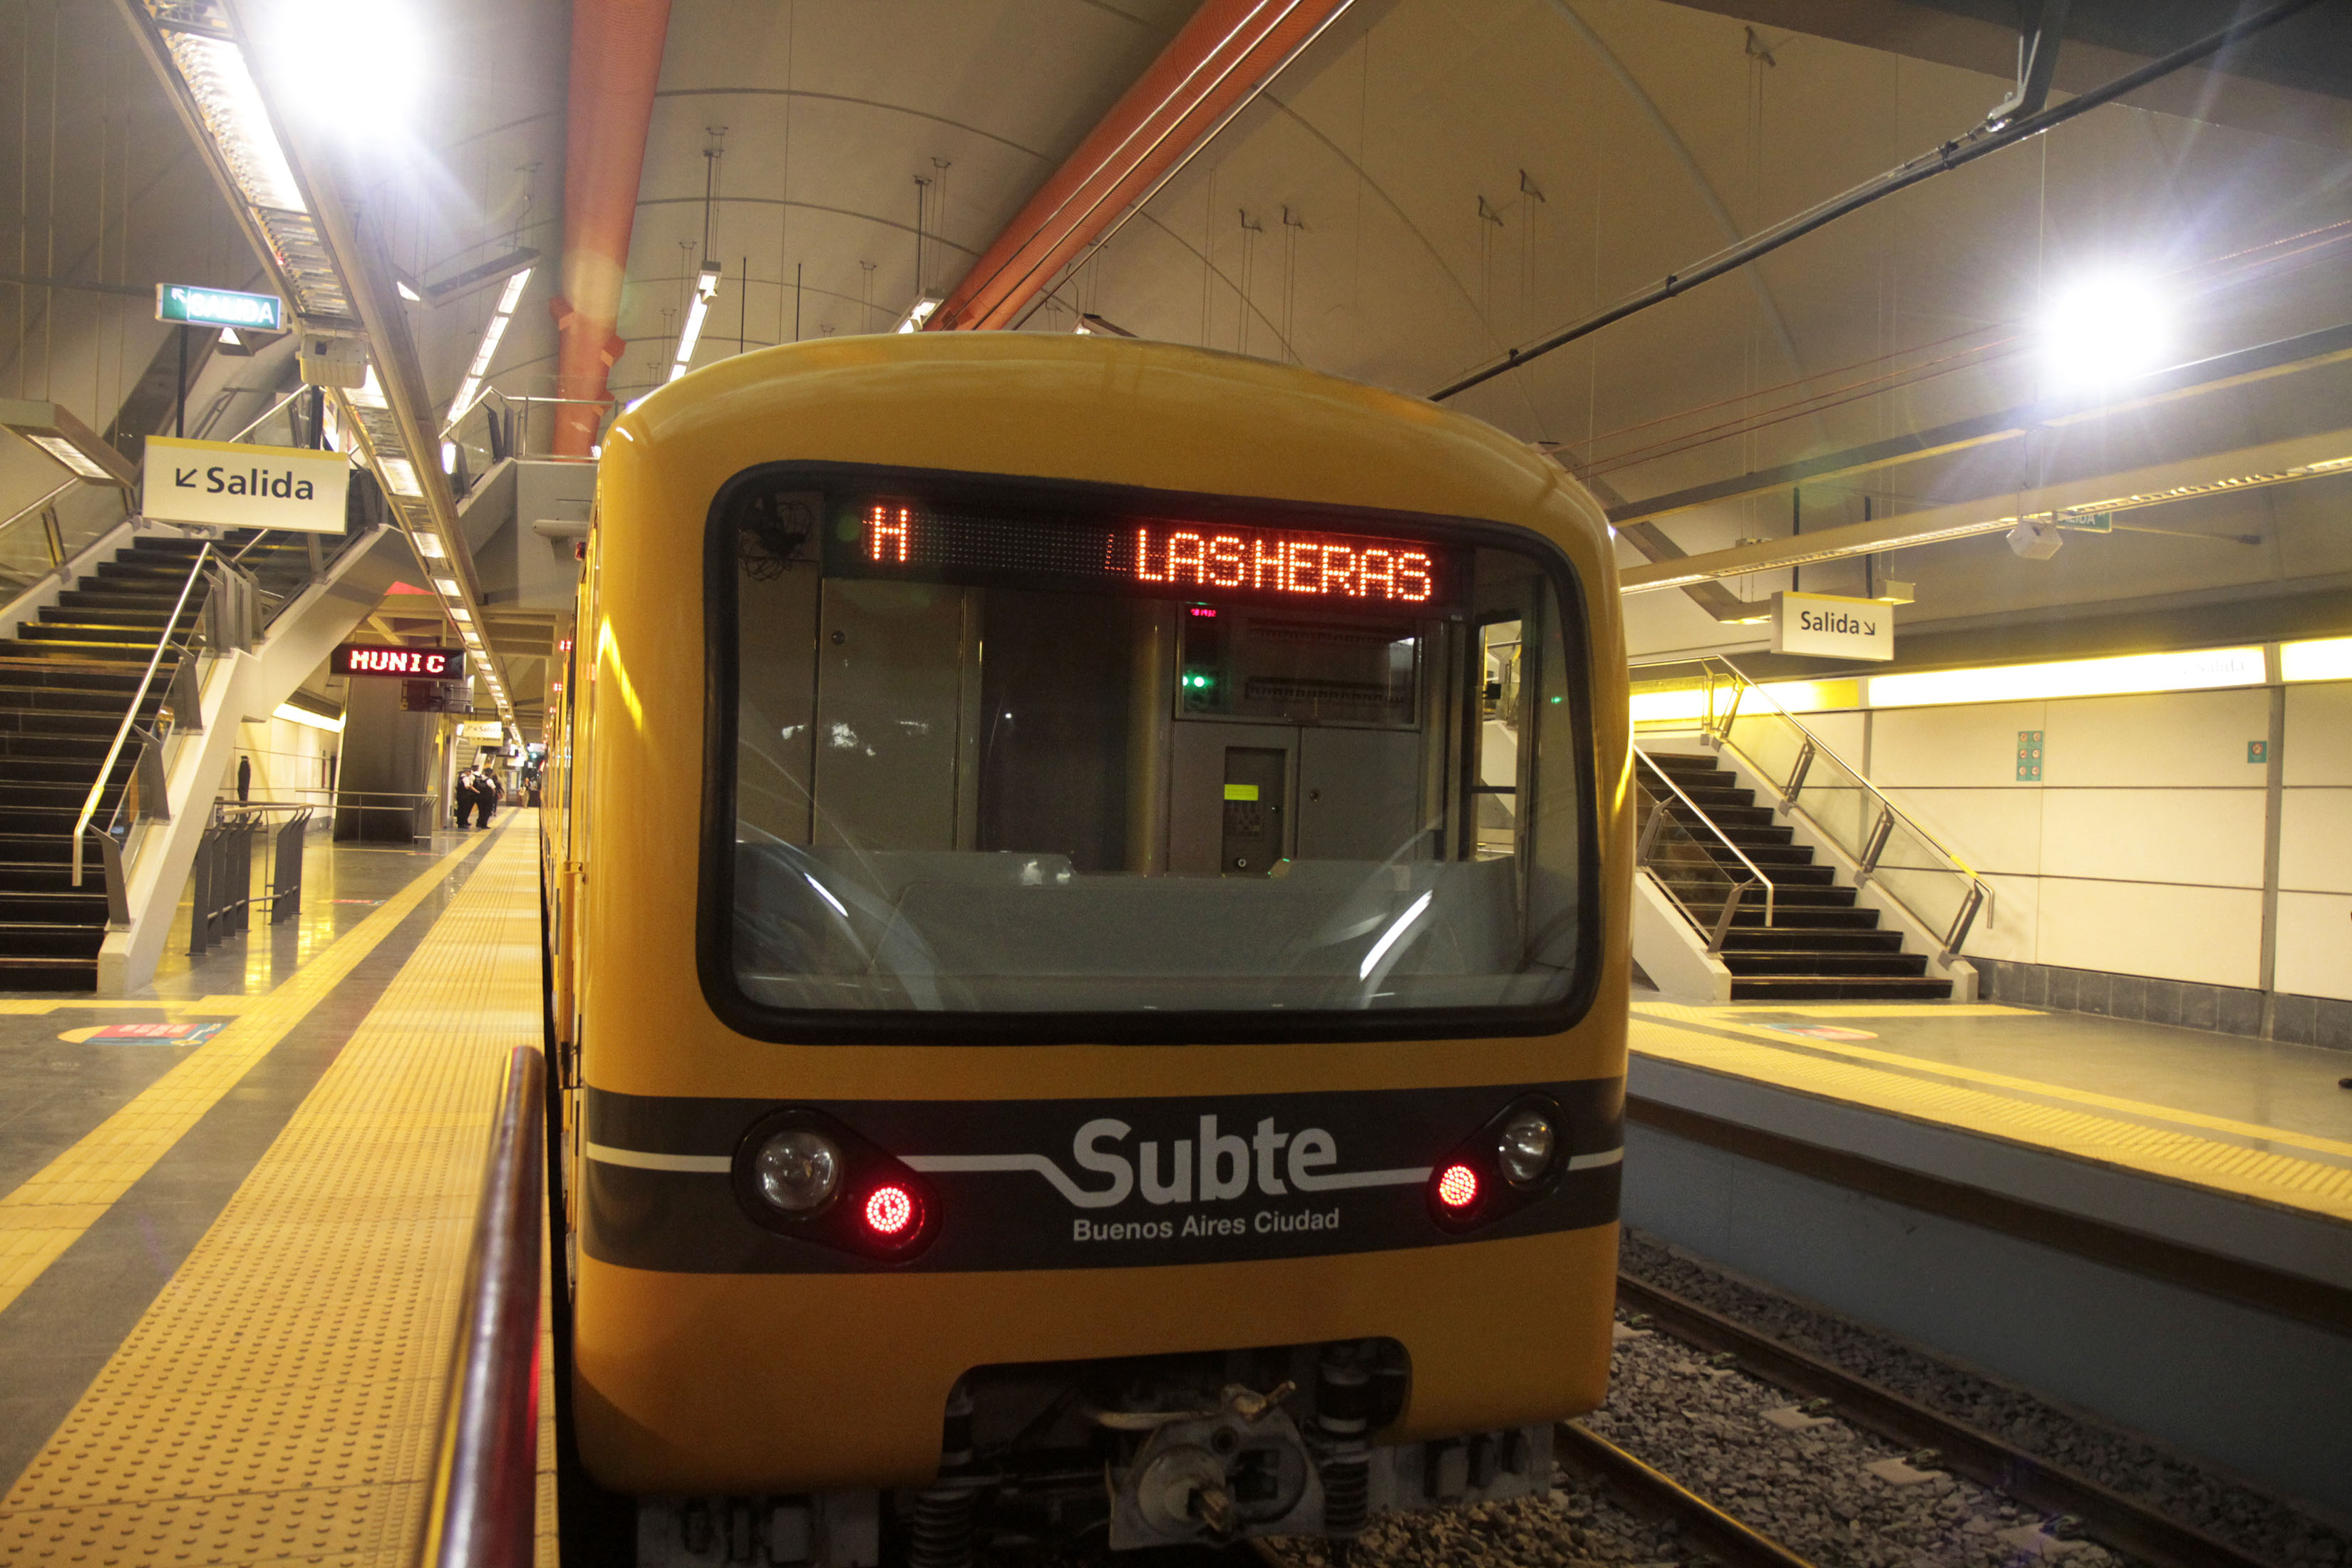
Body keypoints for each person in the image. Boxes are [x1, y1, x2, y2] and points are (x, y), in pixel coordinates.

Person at [453, 766, 479, 830]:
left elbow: (456, 786)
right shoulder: (466, 778)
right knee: (464, 810)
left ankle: (460, 822)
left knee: (460, 809)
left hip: (459, 796)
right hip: (465, 796)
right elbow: (467, 787)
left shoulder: (459, 778)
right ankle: (463, 823)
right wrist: (472, 787)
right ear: (467, 772)